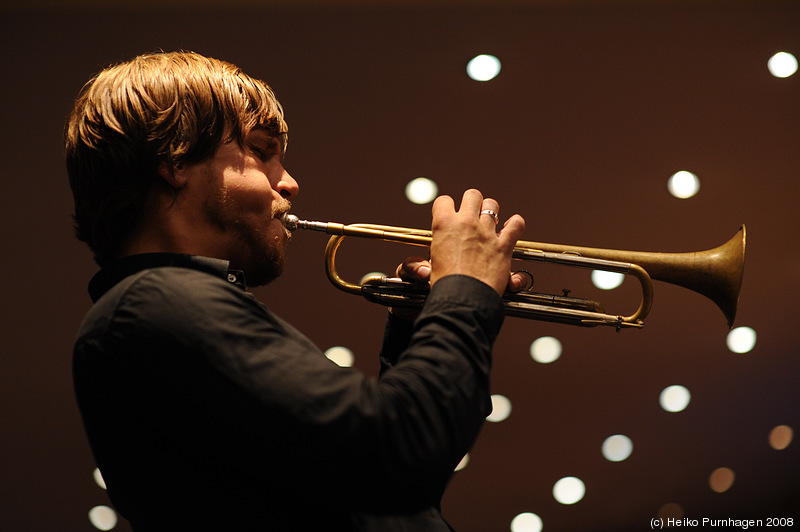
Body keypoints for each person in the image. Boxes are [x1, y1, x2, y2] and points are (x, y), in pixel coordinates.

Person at [66, 51, 526, 531]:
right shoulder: (157, 303)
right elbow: (398, 457)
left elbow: (392, 494)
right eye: (261, 151)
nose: (289, 182)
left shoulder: (163, 307)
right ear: (176, 159)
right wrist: (464, 293)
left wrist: (424, 322)